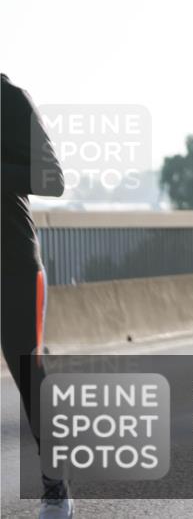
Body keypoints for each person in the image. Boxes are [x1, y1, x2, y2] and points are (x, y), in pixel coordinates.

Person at [1, 73, 70, 519]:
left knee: (29, 375)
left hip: (12, 266)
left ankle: (55, 488)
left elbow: (54, 181)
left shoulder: (9, 100)